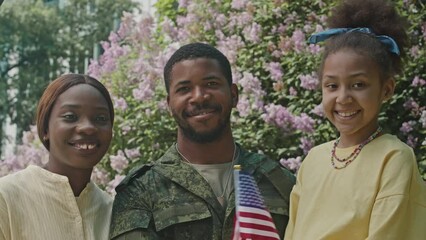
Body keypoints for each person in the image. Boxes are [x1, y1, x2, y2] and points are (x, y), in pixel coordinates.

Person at [109, 42, 296, 239]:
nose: (199, 97)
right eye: (184, 89)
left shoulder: (279, 182)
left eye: (211, 84)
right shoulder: (141, 191)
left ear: (234, 95)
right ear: (169, 104)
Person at [284, 0, 426, 239]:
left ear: (387, 89)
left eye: (358, 85)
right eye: (331, 85)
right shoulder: (313, 160)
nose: (343, 98)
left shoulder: (393, 158)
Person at [0, 74, 114, 240]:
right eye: (70, 117)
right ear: (45, 128)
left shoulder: (113, 211)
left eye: (100, 118)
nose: (88, 128)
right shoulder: (6, 198)